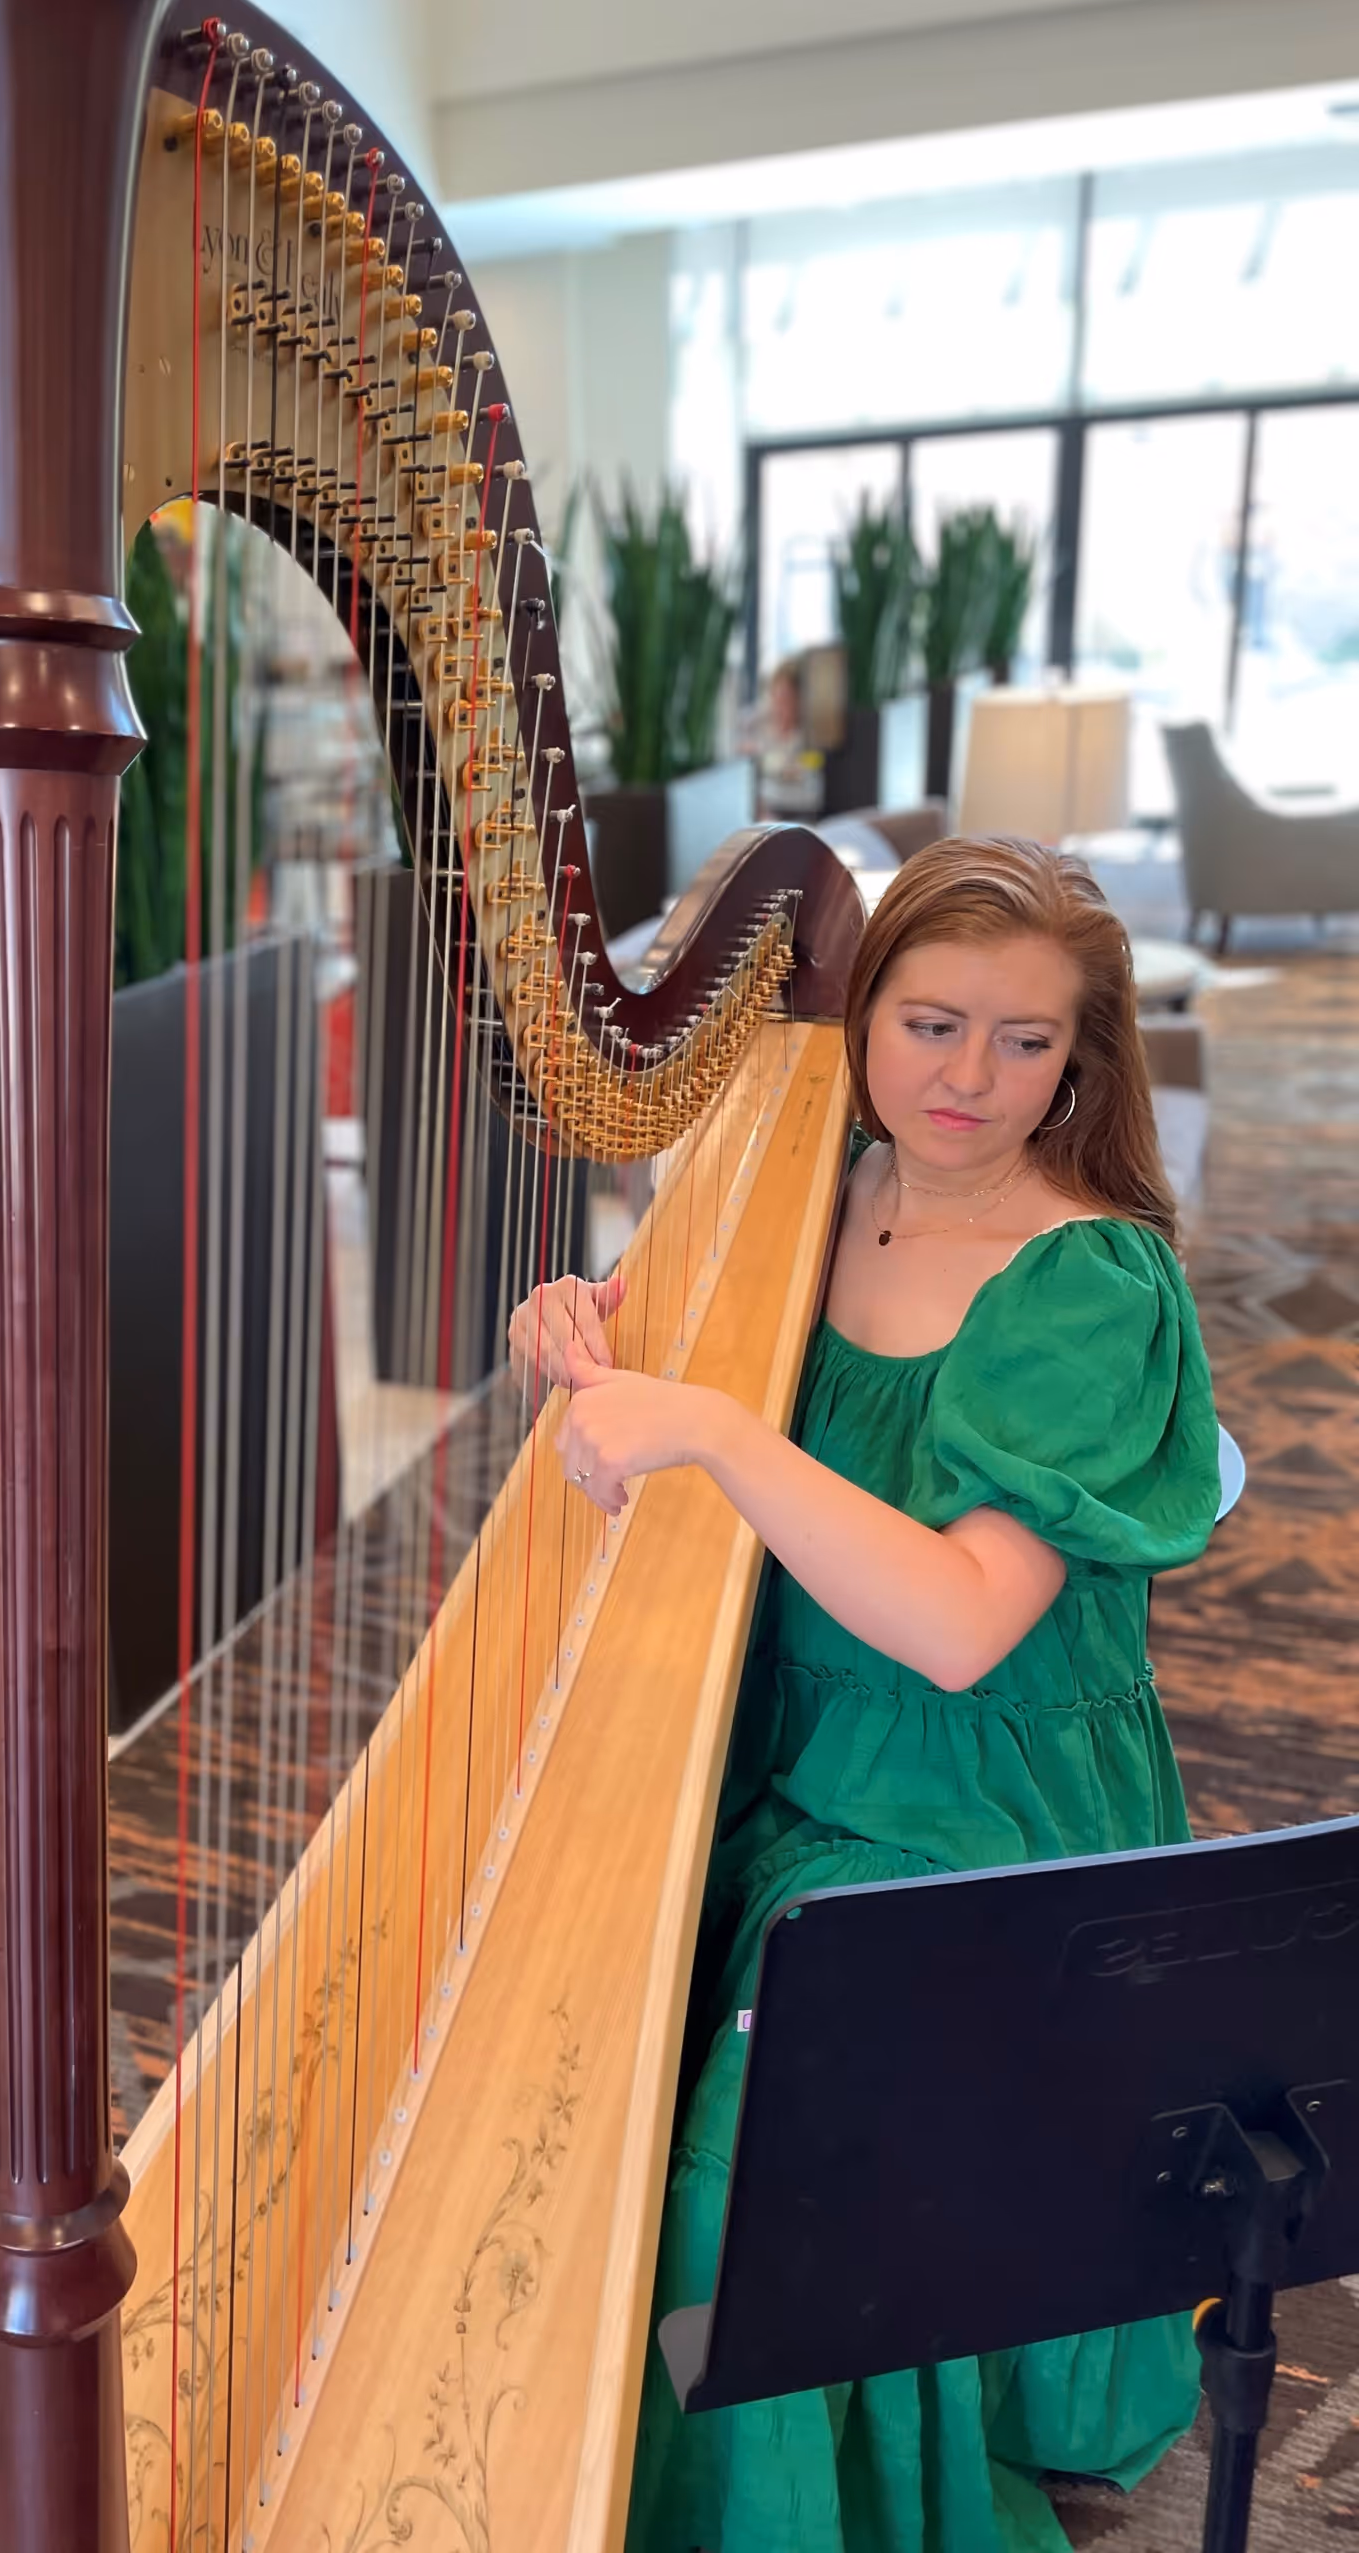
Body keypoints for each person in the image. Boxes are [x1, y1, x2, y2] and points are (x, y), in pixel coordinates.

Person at [510, 836, 1220, 2553]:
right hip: (795, 1744)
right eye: (928, 1023)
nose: (969, 1078)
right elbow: (673, 1406)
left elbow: (963, 1625)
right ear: (863, 1012)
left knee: (743, 2184)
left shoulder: (1086, 1281)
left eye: (1026, 1041)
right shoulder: (807, 1185)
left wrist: (714, 1428)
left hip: (973, 1805)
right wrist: (582, 1337)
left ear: (1084, 1061)